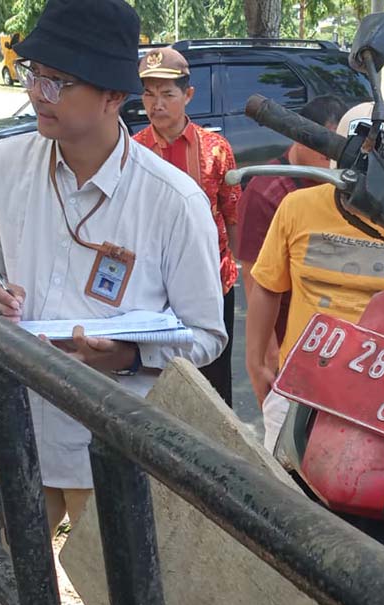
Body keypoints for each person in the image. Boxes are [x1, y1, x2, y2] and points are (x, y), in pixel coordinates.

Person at [0, 0, 225, 605]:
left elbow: (205, 335)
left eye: (59, 79)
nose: (37, 91)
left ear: (112, 97)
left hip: (115, 442)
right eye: (33, 71)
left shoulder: (171, 200)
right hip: (20, 430)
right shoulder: (5, 167)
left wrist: (126, 350)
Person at [246, 104, 384, 452]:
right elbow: (267, 285)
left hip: (382, 402)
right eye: (358, 147)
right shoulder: (297, 208)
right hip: (297, 392)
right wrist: (256, 363)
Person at [133, 46, 240, 405]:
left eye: (167, 94)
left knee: (214, 376)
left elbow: (232, 213)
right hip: (156, 288)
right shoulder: (133, 151)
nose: (156, 104)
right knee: (159, 375)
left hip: (213, 281)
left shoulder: (216, 149)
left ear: (188, 95)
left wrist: (235, 268)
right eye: (149, 93)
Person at [236, 94, 348, 396]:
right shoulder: (268, 192)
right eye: (326, 148)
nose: (334, 158)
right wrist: (267, 359)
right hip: (287, 343)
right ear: (301, 137)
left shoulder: (341, 185)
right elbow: (253, 280)